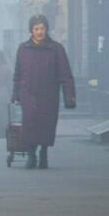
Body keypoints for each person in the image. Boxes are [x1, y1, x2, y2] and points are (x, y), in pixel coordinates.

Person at [12, 14, 76, 169]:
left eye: (42, 28)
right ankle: (31, 154)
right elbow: (18, 74)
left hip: (48, 94)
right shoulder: (23, 49)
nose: (39, 32)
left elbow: (65, 74)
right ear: (31, 30)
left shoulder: (56, 49)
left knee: (46, 125)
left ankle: (44, 153)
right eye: (36, 29)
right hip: (28, 94)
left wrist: (69, 96)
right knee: (29, 124)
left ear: (46, 29)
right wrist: (15, 94)